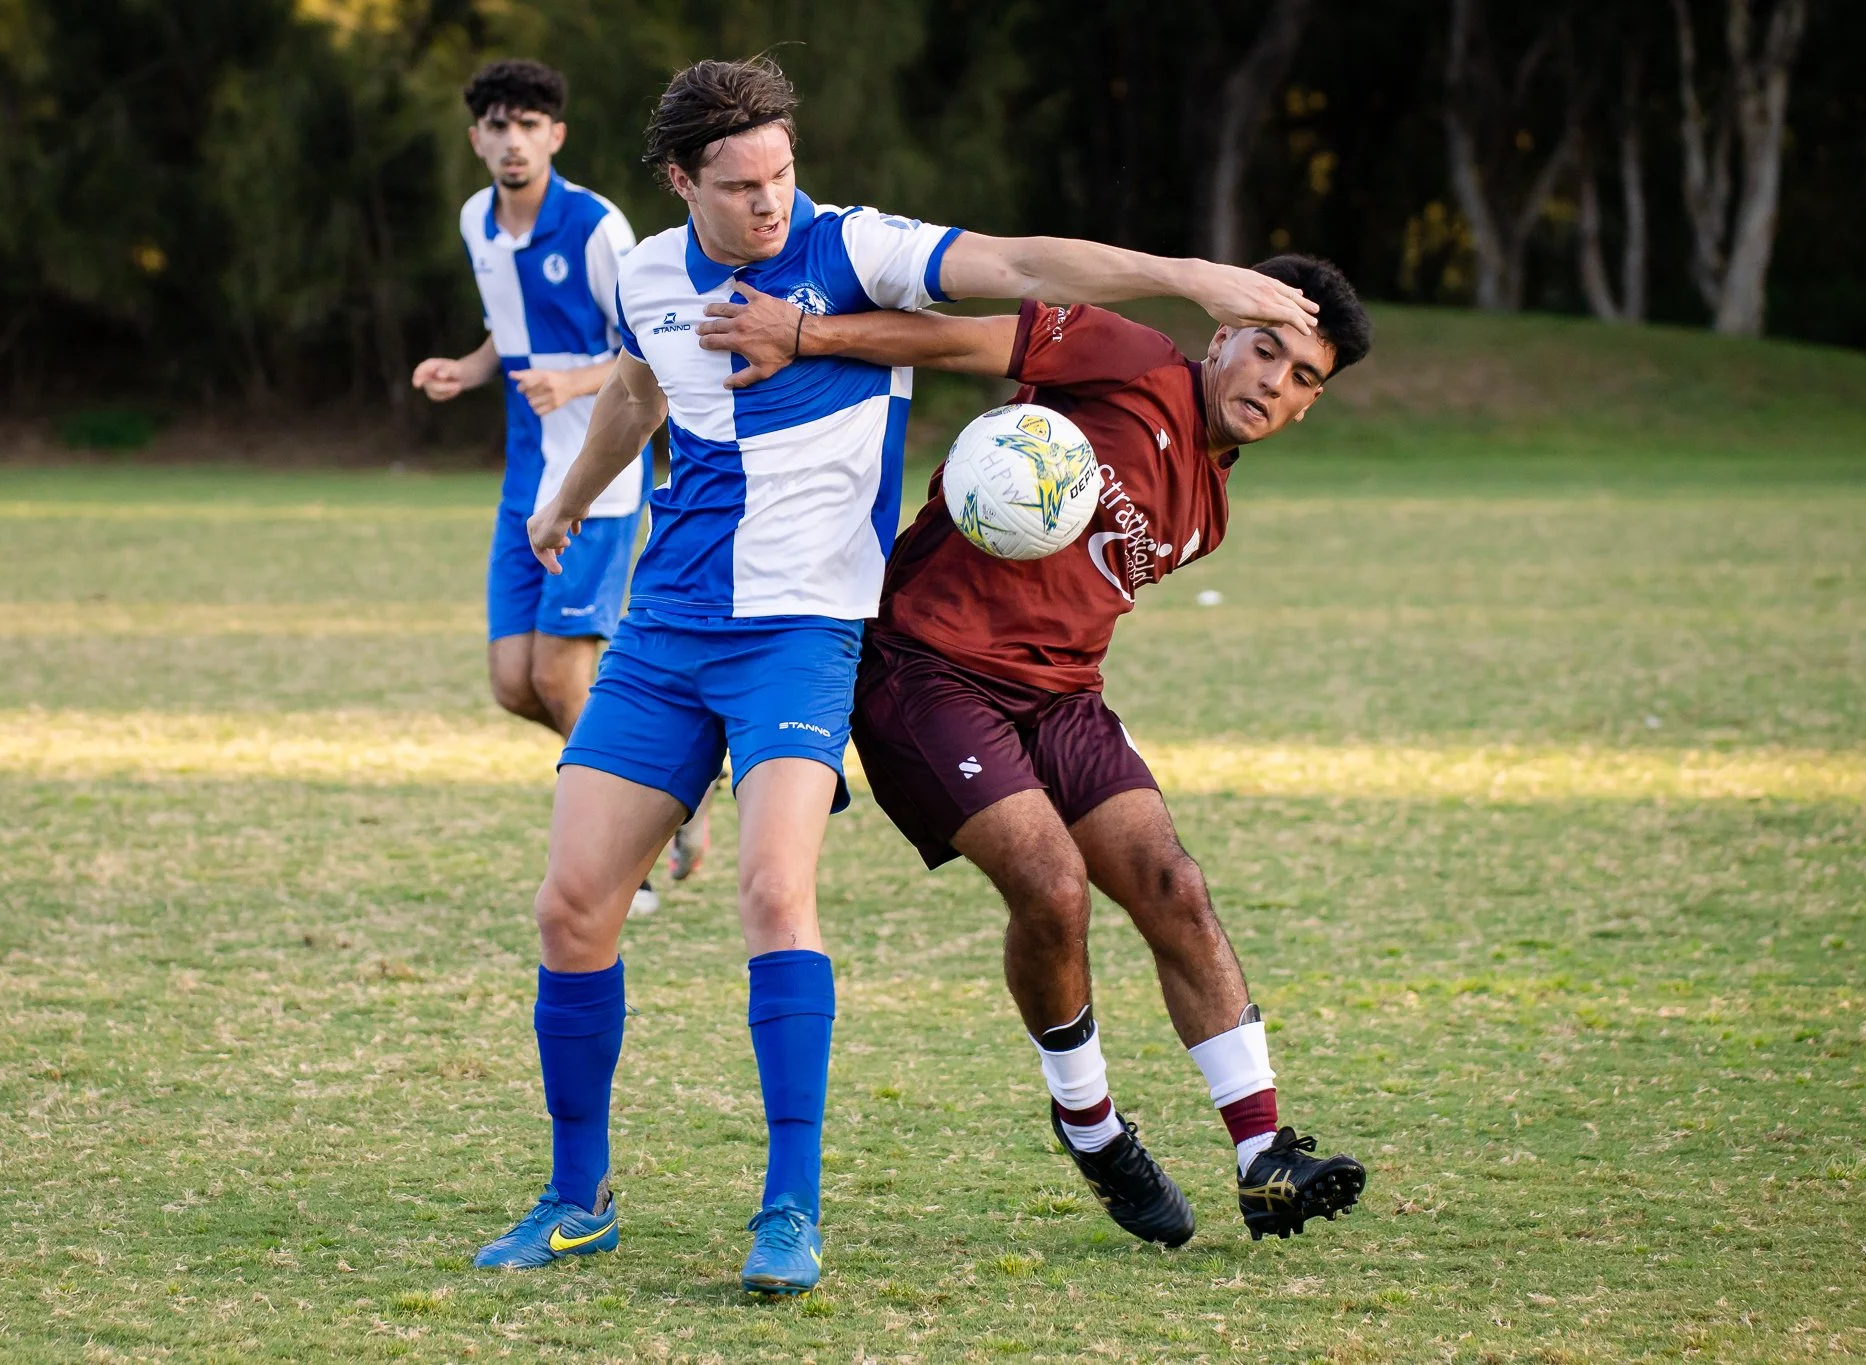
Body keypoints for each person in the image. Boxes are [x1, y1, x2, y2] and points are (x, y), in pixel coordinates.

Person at [470, 55, 1320, 1294]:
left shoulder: (855, 249)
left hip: (803, 633)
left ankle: (788, 1212)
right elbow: (646, 384)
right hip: (667, 630)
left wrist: (1186, 276)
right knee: (569, 910)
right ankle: (574, 1197)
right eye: (740, 185)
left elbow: (1026, 267)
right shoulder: (644, 269)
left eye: (782, 173)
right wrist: (569, 498)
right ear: (679, 182)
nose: (770, 204)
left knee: (773, 897)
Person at [694, 254, 1372, 1245]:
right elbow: (957, 339)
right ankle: (1090, 1124)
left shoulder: (1209, 515)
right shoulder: (1127, 357)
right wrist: (804, 335)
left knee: (1171, 883)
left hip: (1061, 694)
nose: (1273, 381)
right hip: (924, 669)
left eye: (1301, 376)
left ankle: (1261, 1153)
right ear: (1220, 335)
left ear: (1309, 405)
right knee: (1051, 885)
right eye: (1264, 349)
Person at [408, 59, 666, 913]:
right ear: (477, 138)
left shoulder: (597, 227)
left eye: (529, 125)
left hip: (597, 481)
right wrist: (468, 368)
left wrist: (575, 383)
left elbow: (648, 350)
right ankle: (668, 784)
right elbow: (506, 332)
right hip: (524, 483)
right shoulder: (477, 221)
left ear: (555, 135)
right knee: (512, 685)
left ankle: (621, 857)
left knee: (560, 678)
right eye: (497, 125)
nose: (512, 141)